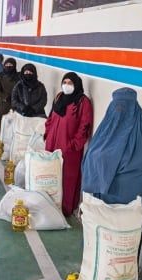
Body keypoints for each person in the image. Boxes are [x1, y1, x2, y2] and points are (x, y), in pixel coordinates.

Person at [82, 87, 142, 208]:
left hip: (132, 196)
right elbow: (92, 152)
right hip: (105, 197)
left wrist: (114, 170)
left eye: (125, 105)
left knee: (126, 224)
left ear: (134, 106)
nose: (119, 110)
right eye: (116, 105)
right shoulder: (107, 126)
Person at [44, 72, 93, 216]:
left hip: (69, 148)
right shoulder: (59, 97)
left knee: (68, 178)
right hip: (52, 142)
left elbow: (85, 125)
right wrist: (47, 132)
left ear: (76, 84)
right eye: (64, 82)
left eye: (70, 83)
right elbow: (51, 115)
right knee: (51, 175)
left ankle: (66, 208)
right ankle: (49, 204)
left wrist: (74, 145)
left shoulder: (83, 102)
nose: (66, 85)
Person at [0, 58, 19, 137]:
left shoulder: (18, 77)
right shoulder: (0, 76)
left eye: (11, 65)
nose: (8, 66)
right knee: (1, 120)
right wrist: (5, 97)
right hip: (4, 102)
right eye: (7, 65)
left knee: (14, 121)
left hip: (16, 102)